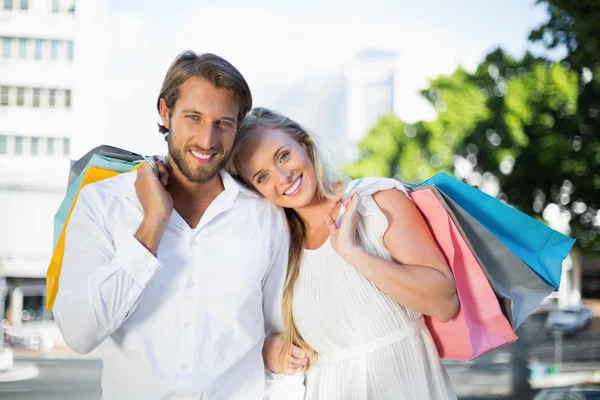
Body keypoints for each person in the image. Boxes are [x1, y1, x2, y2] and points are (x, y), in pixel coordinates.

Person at [52, 52, 305, 400]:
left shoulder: (266, 218)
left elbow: (279, 342)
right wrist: (153, 224)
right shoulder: (103, 203)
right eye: (193, 118)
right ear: (165, 112)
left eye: (223, 123)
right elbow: (79, 334)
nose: (207, 140)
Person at [227, 107, 460, 400]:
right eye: (262, 177)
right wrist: (271, 350)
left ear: (304, 143)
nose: (283, 177)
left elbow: (444, 302)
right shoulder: (279, 249)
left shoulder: (377, 202)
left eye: (283, 155)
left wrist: (353, 253)